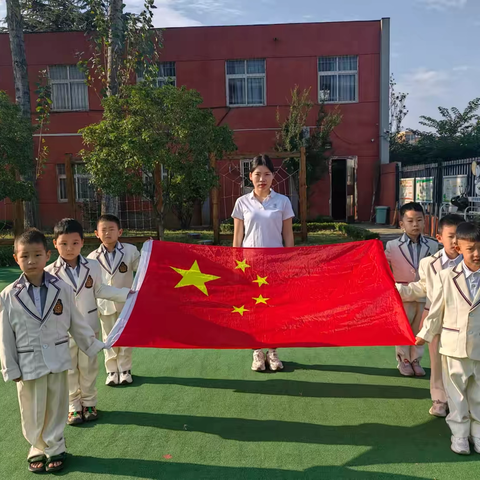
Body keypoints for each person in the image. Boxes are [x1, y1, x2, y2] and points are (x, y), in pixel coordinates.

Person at [0, 229, 104, 473]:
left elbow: (76, 323)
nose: (32, 261)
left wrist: (94, 344)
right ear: (16, 258)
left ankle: (56, 446)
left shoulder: (63, 288)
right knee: (31, 408)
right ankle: (36, 447)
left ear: (47, 255)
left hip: (58, 359)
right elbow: (4, 336)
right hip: (28, 363)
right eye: (25, 256)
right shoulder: (8, 295)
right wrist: (10, 366)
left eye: (37, 255)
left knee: (57, 407)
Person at [46, 218, 130, 425]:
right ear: (55, 244)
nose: (69, 248)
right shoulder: (48, 273)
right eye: (63, 243)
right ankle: (73, 406)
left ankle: (90, 402)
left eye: (75, 243)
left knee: (89, 367)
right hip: (63, 332)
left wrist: (128, 294)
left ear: (83, 242)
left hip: (89, 328)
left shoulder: (92, 265)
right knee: (69, 369)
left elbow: (100, 290)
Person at [417, 222, 480, 455]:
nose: (477, 254)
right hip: (453, 347)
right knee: (457, 396)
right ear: (459, 247)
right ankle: (460, 435)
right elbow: (436, 310)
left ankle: (478, 433)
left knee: (478, 395)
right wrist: (425, 334)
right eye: (471, 248)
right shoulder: (446, 276)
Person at [231, 154, 295, 371]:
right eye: (258, 174)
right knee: (253, 309)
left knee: (275, 309)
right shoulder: (242, 202)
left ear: (273, 177)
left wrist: (289, 261)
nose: (262, 179)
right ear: (250, 176)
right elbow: (237, 237)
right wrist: (235, 263)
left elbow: (288, 235)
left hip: (275, 265)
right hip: (249, 266)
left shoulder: (283, 202)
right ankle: (257, 351)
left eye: (267, 174)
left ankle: (273, 351)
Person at [396, 214, 463, 416]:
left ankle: (460, 402)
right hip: (435, 322)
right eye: (451, 236)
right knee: (437, 363)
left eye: (459, 236)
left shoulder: (470, 261)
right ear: (439, 237)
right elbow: (421, 288)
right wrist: (396, 289)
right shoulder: (428, 263)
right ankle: (440, 401)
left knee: (459, 366)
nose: (455, 241)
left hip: (462, 324)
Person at [384, 202, 438, 376]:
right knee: (403, 329)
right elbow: (383, 267)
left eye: (419, 220)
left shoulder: (433, 245)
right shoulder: (392, 246)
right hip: (402, 294)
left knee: (420, 329)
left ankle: (416, 360)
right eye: (410, 221)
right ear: (402, 224)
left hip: (424, 294)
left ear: (424, 222)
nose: (415, 224)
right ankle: (403, 360)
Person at [87, 214, 140, 385]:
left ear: (120, 232)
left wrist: (149, 251)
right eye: (104, 230)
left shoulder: (130, 251)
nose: (108, 233)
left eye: (112, 229)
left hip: (126, 302)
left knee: (125, 336)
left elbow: (141, 268)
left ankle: (125, 369)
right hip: (105, 304)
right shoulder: (91, 258)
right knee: (108, 337)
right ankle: (111, 371)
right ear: (97, 233)